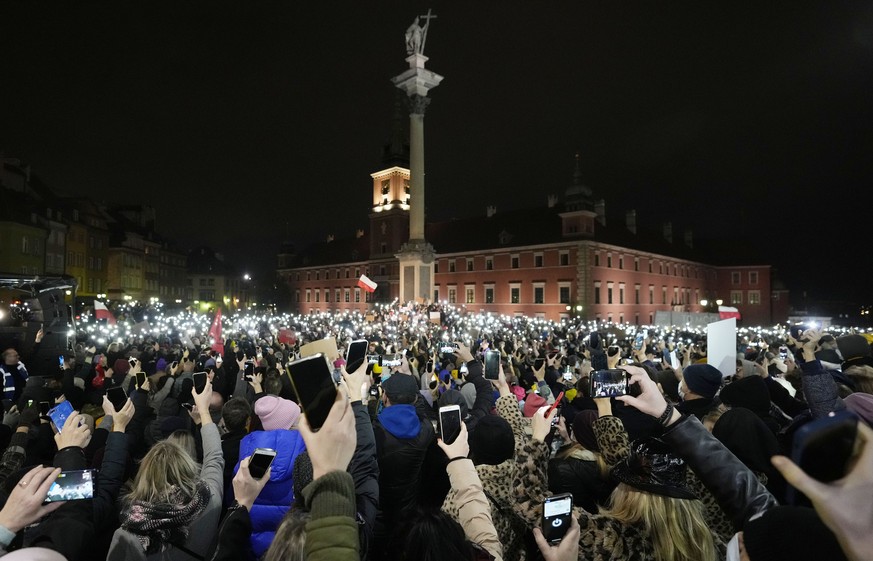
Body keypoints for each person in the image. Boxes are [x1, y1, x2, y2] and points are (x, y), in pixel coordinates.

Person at [107, 379, 224, 560]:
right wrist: (204, 412)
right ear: (187, 465)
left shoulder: (128, 536)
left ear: (145, 474)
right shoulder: (210, 500)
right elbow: (214, 457)